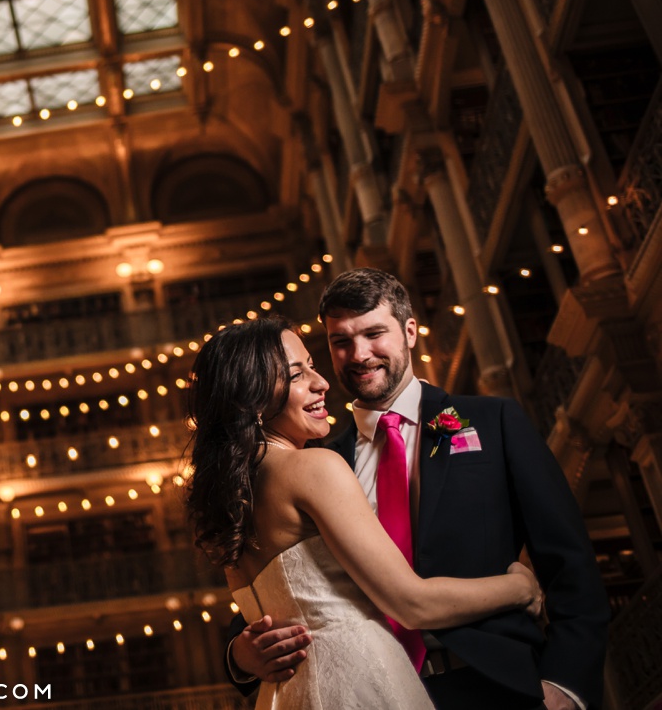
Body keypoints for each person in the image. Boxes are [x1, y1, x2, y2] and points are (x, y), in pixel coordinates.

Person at [224, 268, 610, 710]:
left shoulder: (495, 422)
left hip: (498, 687)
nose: (359, 354)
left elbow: (571, 565)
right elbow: (292, 590)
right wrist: (240, 655)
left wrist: (565, 686)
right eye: (341, 341)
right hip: (372, 692)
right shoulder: (318, 464)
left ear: (409, 331)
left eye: (374, 333)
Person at [187, 315, 543, 709]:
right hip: (359, 681)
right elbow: (412, 603)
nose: (320, 382)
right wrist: (520, 587)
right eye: (296, 375)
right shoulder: (313, 468)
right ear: (251, 398)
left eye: (312, 365)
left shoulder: (231, 495)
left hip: (289, 694)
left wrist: (241, 655)